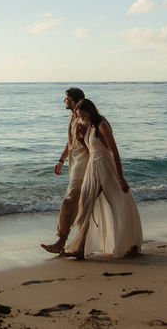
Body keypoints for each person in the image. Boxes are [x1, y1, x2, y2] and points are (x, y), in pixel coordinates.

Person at [62, 98, 143, 259]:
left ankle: (130, 244)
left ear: (90, 111)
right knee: (85, 204)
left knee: (120, 202)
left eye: (84, 115)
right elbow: (91, 147)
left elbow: (113, 151)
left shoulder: (102, 125)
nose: (82, 119)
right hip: (92, 167)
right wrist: (80, 136)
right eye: (80, 116)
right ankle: (79, 247)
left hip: (105, 166)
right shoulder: (90, 126)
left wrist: (120, 177)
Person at [41, 87, 88, 254]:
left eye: (66, 98)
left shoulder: (84, 119)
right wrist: (62, 160)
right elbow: (70, 142)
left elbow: (90, 142)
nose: (64, 101)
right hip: (74, 162)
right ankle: (76, 242)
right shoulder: (72, 116)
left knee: (70, 200)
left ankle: (61, 241)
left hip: (84, 163)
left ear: (73, 102)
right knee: (80, 202)